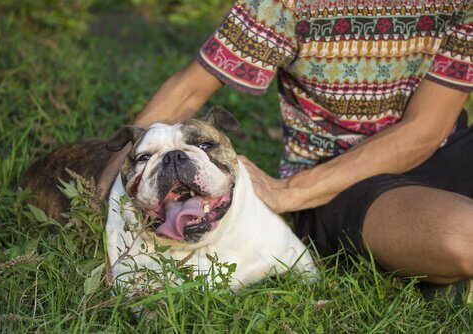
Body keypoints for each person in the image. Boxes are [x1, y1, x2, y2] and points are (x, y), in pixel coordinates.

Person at [98, 0, 473, 300]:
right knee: (463, 235)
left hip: (448, 146)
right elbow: (190, 89)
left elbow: (427, 128)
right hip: (337, 182)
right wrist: (102, 187)